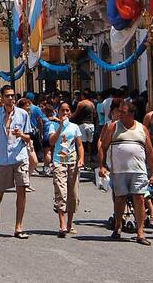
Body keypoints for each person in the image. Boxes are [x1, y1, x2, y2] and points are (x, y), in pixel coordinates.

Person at [98, 98, 153, 245]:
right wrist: (102, 165)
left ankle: (140, 232)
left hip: (138, 171)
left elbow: (150, 152)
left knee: (139, 199)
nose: (120, 115)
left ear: (132, 114)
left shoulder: (142, 129)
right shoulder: (113, 127)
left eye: (123, 113)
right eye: (119, 112)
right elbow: (103, 147)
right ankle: (118, 225)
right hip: (119, 171)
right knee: (120, 200)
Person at [0, 85, 32, 239]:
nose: (11, 98)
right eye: (7, 96)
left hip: (19, 156)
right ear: (2, 98)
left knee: (22, 189)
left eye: (12, 96)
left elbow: (29, 137)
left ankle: (18, 226)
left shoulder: (23, 114)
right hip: (1, 158)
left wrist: (21, 135)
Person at [48, 101, 83, 238]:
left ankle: (70, 223)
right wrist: (60, 126)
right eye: (63, 110)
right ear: (58, 112)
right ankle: (62, 224)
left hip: (72, 162)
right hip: (59, 162)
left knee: (72, 193)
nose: (65, 113)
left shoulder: (75, 127)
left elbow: (79, 145)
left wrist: (81, 159)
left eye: (67, 110)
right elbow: (51, 141)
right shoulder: (53, 125)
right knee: (61, 192)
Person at [72, 91, 97, 168]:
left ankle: (81, 158)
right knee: (90, 142)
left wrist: (70, 117)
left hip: (82, 124)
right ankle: (89, 156)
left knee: (81, 143)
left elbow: (76, 113)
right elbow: (95, 114)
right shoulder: (91, 104)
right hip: (91, 124)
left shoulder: (80, 103)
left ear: (83, 96)